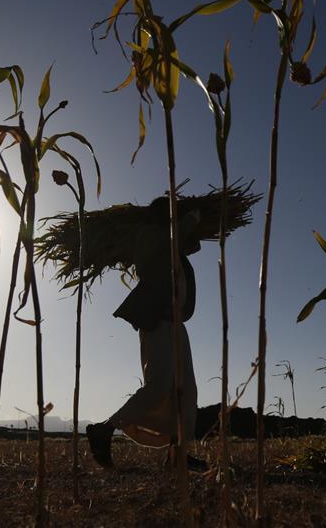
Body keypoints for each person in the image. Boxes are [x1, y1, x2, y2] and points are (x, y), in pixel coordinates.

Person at [87, 200, 203, 468]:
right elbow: (172, 241)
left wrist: (193, 223)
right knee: (159, 385)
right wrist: (190, 220)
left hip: (177, 326)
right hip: (157, 322)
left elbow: (190, 244)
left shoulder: (173, 245)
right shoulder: (149, 236)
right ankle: (104, 429)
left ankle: (178, 455)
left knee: (186, 392)